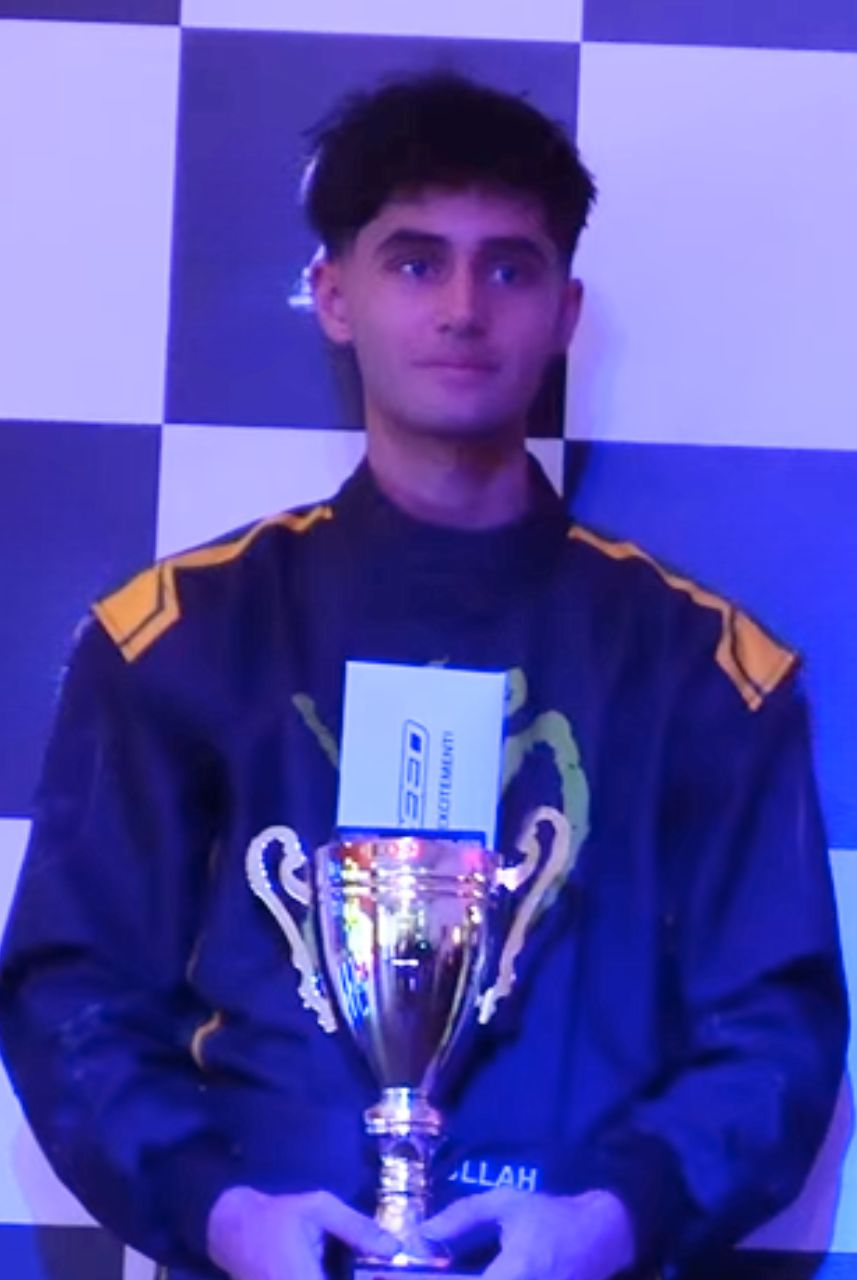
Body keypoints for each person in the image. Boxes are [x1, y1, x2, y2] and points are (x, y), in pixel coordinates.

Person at [0, 72, 847, 1280]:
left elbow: (777, 1024)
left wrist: (612, 1219)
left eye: (507, 266)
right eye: (413, 262)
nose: (462, 307)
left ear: (563, 309)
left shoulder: (703, 667)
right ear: (333, 296)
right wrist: (223, 1212)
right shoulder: (178, 636)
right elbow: (70, 991)